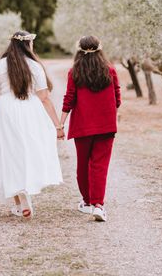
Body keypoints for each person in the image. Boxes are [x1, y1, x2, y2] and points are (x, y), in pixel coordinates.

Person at [0, 31, 64, 218]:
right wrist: (57, 125)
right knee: (28, 150)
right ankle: (25, 192)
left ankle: (20, 201)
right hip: (30, 110)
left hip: (5, 112)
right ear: (28, 45)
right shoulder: (35, 66)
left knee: (10, 153)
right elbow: (44, 97)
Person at [60, 35, 121, 222]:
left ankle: (87, 202)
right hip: (106, 126)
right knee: (99, 166)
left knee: (83, 165)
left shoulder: (74, 72)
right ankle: (98, 205)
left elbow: (69, 99)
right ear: (100, 50)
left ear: (79, 51)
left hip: (82, 127)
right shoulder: (109, 70)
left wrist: (60, 124)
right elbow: (117, 98)